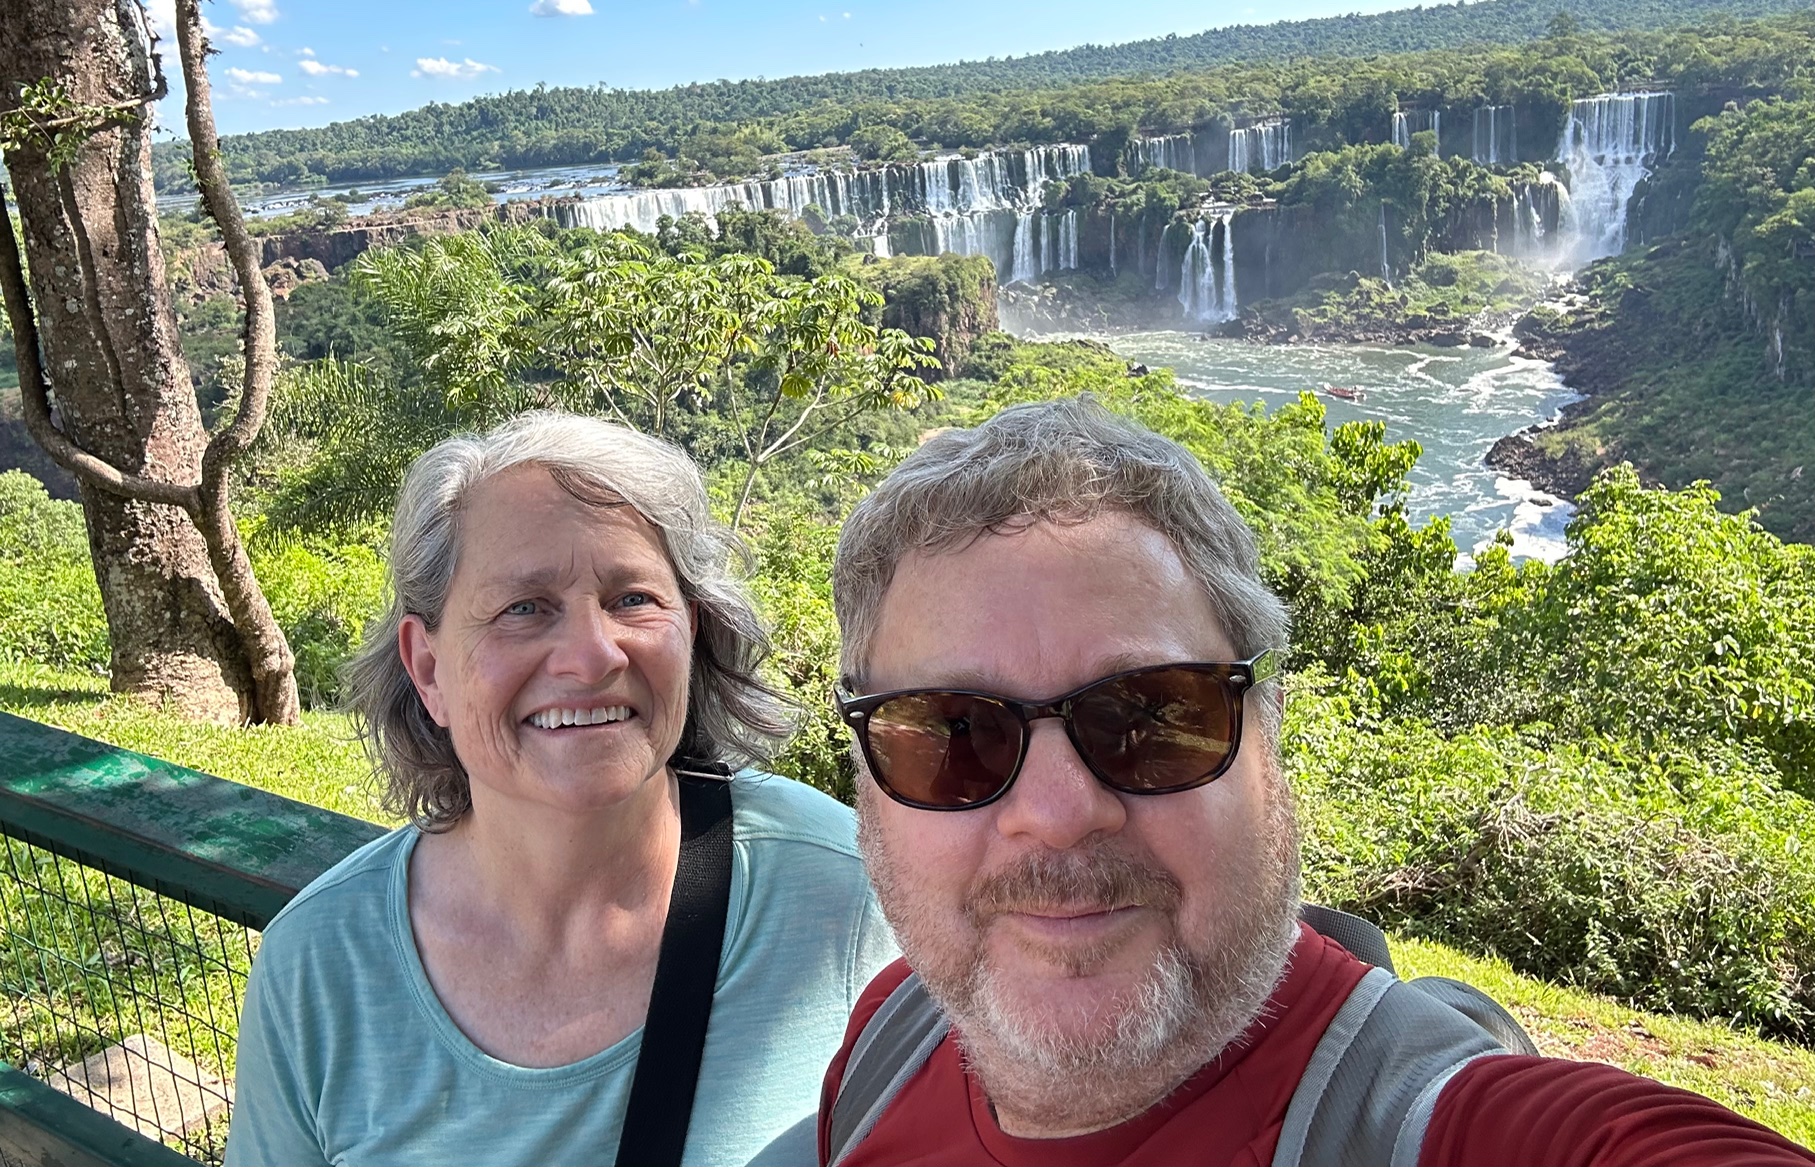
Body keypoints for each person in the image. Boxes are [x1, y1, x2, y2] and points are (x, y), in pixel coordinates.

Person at [794, 397, 1815, 1166]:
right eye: (955, 734)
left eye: (1150, 718)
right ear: (869, 783)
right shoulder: (894, 1036)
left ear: (1267, 740)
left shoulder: (1435, 1125)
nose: (1058, 816)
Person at [224, 412, 893, 1167]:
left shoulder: (850, 894)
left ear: (692, 631)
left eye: (632, 598)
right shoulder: (318, 967)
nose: (591, 654)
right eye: (523, 608)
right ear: (429, 668)